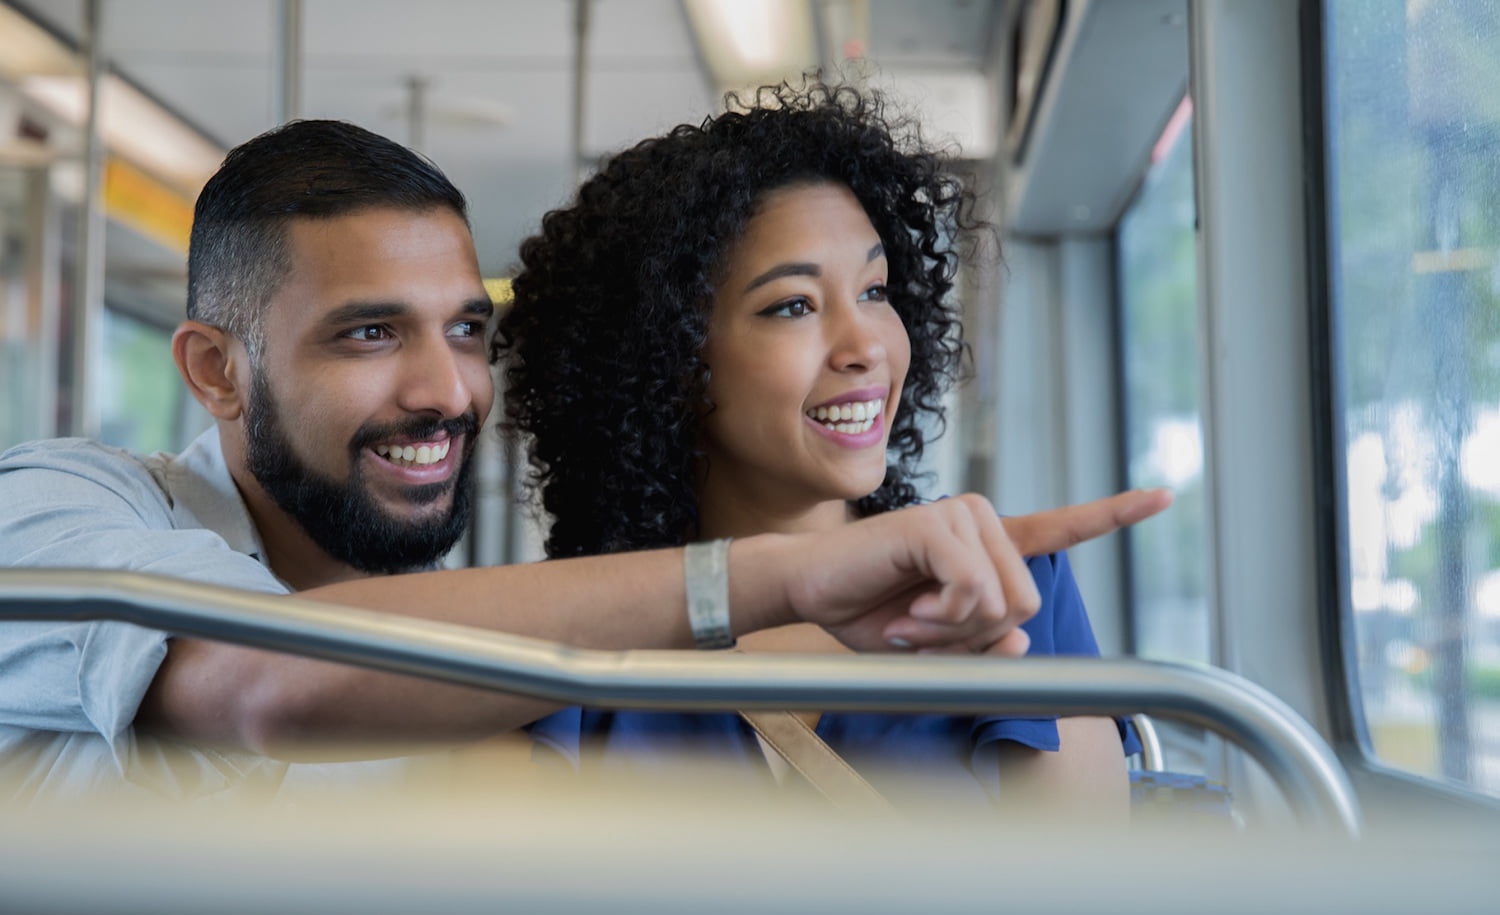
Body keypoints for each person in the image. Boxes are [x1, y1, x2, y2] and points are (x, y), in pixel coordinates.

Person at [0, 118, 1165, 803]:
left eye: (467, 329)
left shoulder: (484, 636)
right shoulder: (57, 514)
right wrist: (786, 578)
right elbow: (270, 685)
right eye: (369, 331)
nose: (446, 389)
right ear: (212, 370)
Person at [497, 80, 1164, 817]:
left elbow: (1079, 913)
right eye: (793, 306)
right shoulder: (568, 640)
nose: (865, 347)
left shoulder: (1001, 583)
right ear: (669, 360)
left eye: (875, 292)